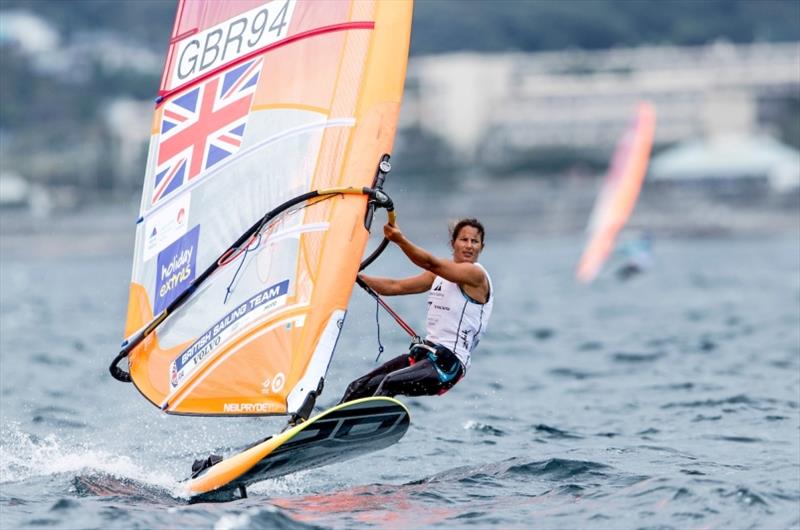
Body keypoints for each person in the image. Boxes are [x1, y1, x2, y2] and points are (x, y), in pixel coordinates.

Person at [339, 218, 493, 403]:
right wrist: (353, 276)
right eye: (464, 240)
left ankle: (367, 427)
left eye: (474, 241)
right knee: (359, 386)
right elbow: (396, 287)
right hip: (426, 356)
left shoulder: (476, 275)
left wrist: (400, 240)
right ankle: (323, 427)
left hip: (447, 367)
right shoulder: (439, 275)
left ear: (481, 247)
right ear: (453, 244)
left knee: (389, 383)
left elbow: (431, 263)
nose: (469, 246)